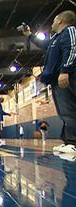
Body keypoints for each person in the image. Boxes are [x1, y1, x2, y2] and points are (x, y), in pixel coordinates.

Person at [20, 10, 76, 153]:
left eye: (54, 20)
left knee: (69, 110)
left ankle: (73, 142)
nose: (52, 23)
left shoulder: (70, 31)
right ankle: (68, 141)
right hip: (56, 80)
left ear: (60, 21)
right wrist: (29, 35)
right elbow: (43, 44)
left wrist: (65, 70)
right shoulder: (55, 38)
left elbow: (72, 49)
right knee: (64, 112)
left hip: (65, 77)